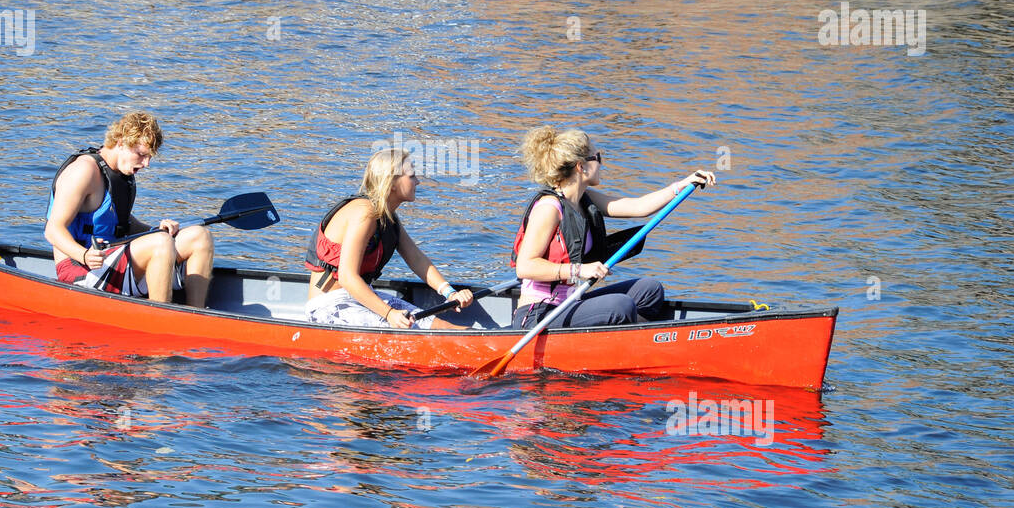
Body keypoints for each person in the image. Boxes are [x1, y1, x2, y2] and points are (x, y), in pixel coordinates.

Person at [510, 126, 715, 329]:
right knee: (621, 305)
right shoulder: (549, 207)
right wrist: (579, 270)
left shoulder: (583, 200)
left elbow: (639, 207)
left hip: (570, 302)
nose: (601, 163)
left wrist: (684, 185)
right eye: (597, 157)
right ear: (581, 166)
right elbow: (526, 266)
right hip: (539, 314)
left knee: (650, 290)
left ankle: (637, 339)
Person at [45, 111, 213, 306]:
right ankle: (160, 319)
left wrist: (156, 230)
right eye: (141, 155)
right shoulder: (83, 171)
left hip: (113, 264)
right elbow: (53, 230)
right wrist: (84, 255)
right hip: (80, 270)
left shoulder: (121, 173)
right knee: (160, 243)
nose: (146, 164)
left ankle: (196, 313)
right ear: (121, 143)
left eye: (149, 157)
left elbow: (120, 222)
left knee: (200, 236)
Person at [304, 148, 475, 329]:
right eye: (412, 176)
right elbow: (347, 277)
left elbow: (417, 259)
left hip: (362, 297)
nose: (418, 181)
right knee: (410, 330)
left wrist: (449, 293)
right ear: (391, 182)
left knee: (443, 327)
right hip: (328, 305)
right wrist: (389, 314)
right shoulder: (365, 213)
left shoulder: (388, 217)